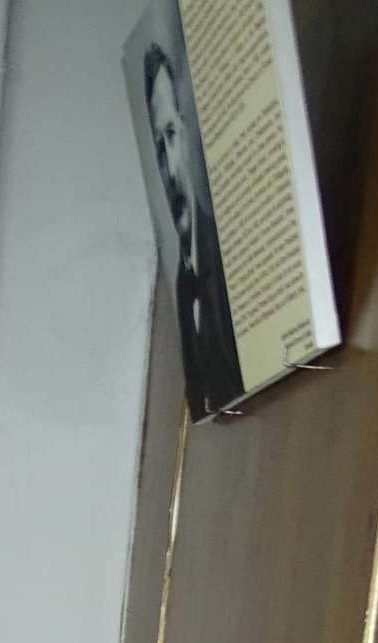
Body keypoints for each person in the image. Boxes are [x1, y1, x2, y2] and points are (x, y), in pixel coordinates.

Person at [135, 23, 244, 416]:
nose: (168, 163)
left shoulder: (230, 252)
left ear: (184, 130)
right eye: (158, 145)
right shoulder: (181, 283)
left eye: (171, 134)